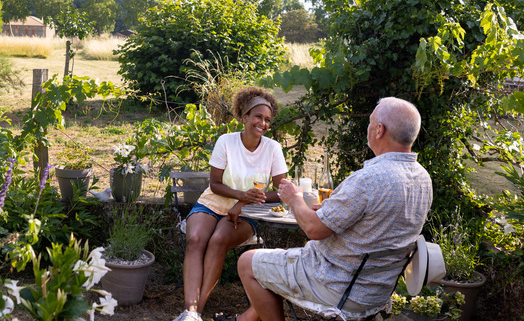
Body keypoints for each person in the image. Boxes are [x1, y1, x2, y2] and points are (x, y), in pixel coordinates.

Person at [230, 97, 433, 321]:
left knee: (247, 262)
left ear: (379, 130)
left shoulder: (368, 179)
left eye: (370, 122)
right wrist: (330, 209)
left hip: (336, 286)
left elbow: (313, 230)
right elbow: (374, 225)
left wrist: (295, 199)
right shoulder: (423, 178)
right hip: (376, 292)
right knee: (275, 269)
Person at [173, 87, 288, 321]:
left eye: (267, 120)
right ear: (245, 118)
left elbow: (283, 191)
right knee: (195, 239)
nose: (263, 123)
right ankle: (190, 313)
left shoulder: (273, 148)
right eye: (258, 117)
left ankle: (195, 311)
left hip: (248, 211)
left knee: (217, 241)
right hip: (212, 202)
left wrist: (245, 202)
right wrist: (241, 195)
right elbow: (215, 184)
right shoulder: (226, 142)